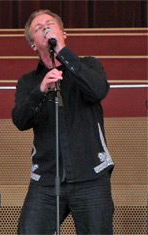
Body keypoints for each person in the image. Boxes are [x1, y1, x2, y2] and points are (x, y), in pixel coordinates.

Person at [12, 9, 114, 234]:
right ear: (33, 44)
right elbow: (19, 120)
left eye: (50, 24)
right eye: (38, 29)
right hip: (46, 178)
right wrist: (41, 91)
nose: (45, 29)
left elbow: (99, 90)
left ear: (63, 33)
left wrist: (63, 54)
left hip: (91, 174)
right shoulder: (28, 82)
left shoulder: (89, 65)